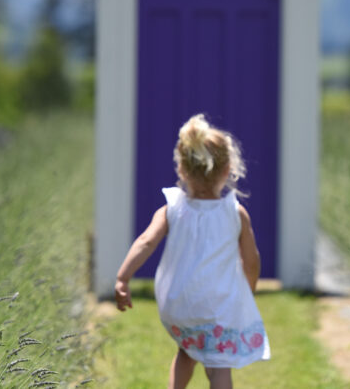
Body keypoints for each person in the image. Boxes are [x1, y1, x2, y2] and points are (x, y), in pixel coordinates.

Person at [114, 113, 270, 389]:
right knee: (218, 364)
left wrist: (123, 277)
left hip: (181, 304)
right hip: (218, 305)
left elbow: (146, 242)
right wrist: (249, 290)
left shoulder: (172, 208)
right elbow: (251, 261)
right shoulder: (235, 213)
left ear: (181, 170)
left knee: (186, 351)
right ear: (227, 170)